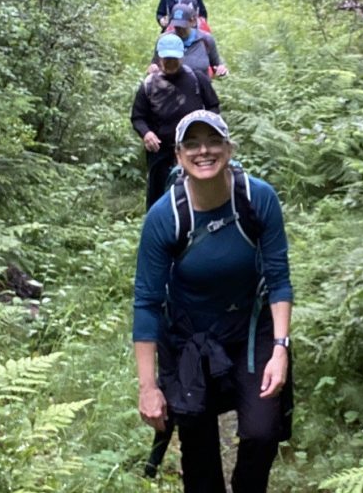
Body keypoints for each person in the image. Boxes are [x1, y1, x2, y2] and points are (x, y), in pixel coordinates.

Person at [133, 110, 294, 492]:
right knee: (198, 447)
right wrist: (148, 386)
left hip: (252, 331)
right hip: (188, 339)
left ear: (229, 148)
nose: (203, 151)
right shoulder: (165, 217)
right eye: (192, 144)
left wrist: (281, 348)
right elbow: (147, 302)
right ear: (178, 156)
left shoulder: (258, 198)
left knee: (262, 432)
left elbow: (278, 278)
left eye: (213, 142)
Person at [130, 34, 220, 211]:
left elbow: (213, 106)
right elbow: (138, 117)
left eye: (174, 59)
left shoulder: (197, 79)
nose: (170, 63)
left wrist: (208, 132)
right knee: (159, 199)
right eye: (167, 59)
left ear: (182, 57)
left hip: (194, 149)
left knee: (197, 195)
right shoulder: (149, 84)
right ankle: (159, 224)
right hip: (161, 152)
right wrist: (146, 133)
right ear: (159, 58)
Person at [148, 3, 228, 79]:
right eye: (176, 26)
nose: (179, 29)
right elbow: (155, 64)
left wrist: (221, 70)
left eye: (183, 26)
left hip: (200, 86)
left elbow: (216, 65)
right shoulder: (165, 40)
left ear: (192, 22)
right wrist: (153, 69)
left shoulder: (206, 40)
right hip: (171, 87)